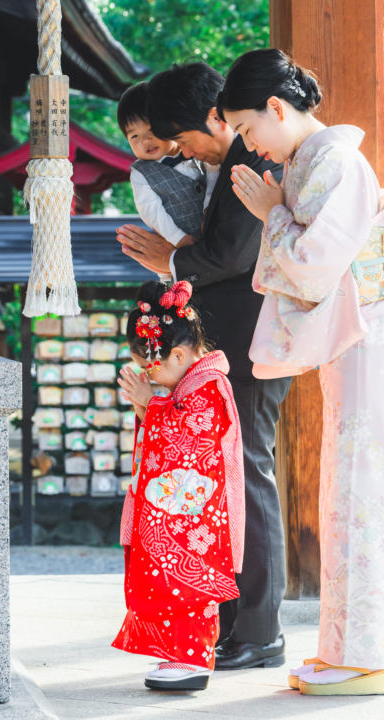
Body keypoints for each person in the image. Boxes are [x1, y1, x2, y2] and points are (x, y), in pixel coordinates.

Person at [218, 48, 384, 697]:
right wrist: (279, 208)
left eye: (249, 130)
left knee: (368, 489)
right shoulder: (316, 162)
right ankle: (345, 651)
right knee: (345, 489)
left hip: (376, 329)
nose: (251, 147)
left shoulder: (333, 161)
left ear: (276, 109)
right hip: (358, 337)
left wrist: (269, 214)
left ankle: (366, 657)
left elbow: (311, 264)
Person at [116, 62, 292, 671]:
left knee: (248, 472)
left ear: (217, 118)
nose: (182, 152)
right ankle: (230, 620)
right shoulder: (224, 164)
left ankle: (259, 629)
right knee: (223, 480)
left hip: (251, 338)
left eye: (184, 138)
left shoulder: (252, 162)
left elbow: (229, 253)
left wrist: (171, 257)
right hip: (230, 338)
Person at [112, 279, 245, 691]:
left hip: (193, 514)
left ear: (181, 354)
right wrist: (151, 401)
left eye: (153, 366)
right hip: (176, 510)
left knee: (187, 580)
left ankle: (190, 659)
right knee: (166, 578)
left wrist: (146, 402)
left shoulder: (209, 387)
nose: (151, 374)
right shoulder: (190, 383)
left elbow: (189, 443)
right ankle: (173, 653)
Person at [117, 81, 206, 248]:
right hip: (181, 242)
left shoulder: (196, 149)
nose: (145, 140)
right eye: (134, 136)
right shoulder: (141, 173)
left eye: (151, 130)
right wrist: (177, 238)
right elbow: (151, 211)